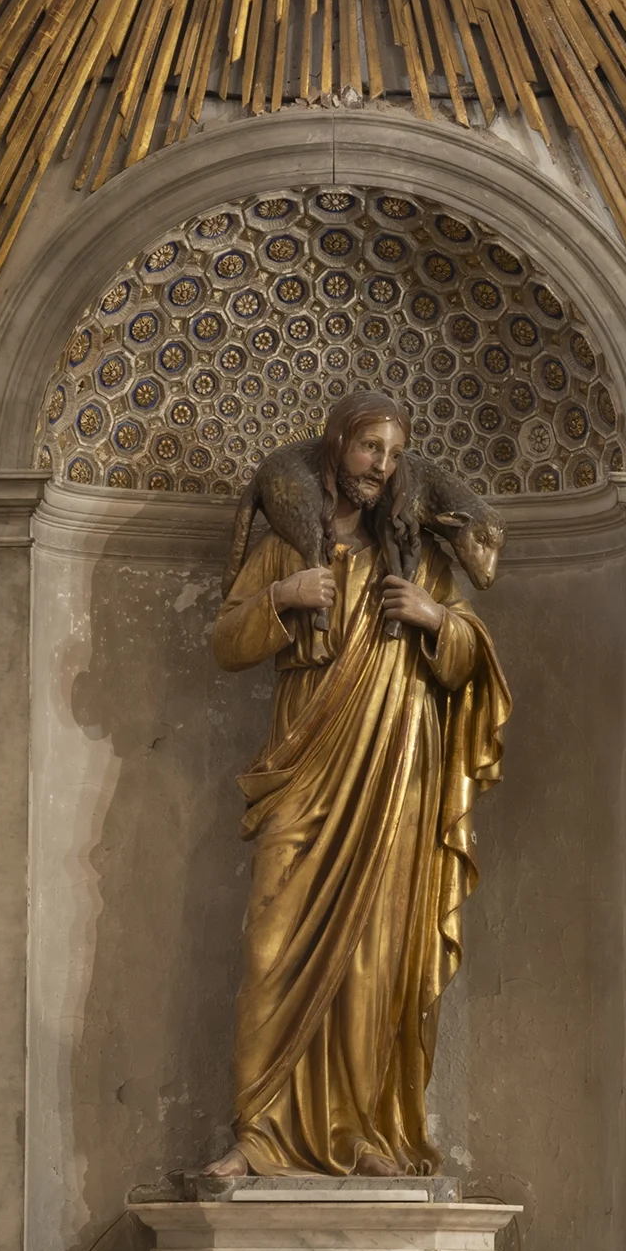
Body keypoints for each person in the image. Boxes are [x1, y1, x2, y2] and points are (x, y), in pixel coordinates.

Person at [206, 390, 509, 1177]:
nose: (381, 464)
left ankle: (363, 1130)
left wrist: (437, 619)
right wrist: (282, 597)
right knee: (272, 947)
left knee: (376, 954)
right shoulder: (286, 549)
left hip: (395, 773)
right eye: (369, 447)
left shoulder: (420, 558)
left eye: (394, 452)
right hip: (305, 772)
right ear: (336, 446)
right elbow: (226, 641)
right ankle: (259, 1133)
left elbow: (475, 662)